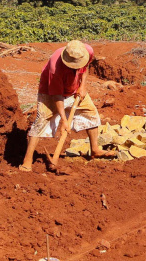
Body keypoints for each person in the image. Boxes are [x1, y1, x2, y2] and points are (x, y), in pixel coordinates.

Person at [20, 40, 115, 172]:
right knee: (41, 121)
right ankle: (27, 161)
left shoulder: (87, 51)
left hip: (75, 87)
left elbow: (85, 68)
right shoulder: (55, 67)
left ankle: (95, 149)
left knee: (91, 113)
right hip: (50, 93)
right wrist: (64, 121)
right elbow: (57, 96)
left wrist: (82, 86)